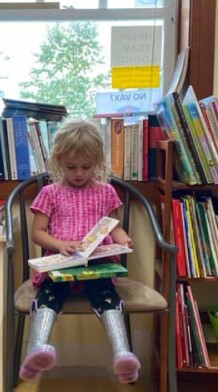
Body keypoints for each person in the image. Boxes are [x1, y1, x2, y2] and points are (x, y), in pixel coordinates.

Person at [18, 119, 139, 384]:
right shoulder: (50, 193)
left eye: (87, 167)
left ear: (98, 162)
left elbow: (113, 225)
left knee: (106, 295)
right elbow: (37, 232)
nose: (79, 173)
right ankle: (36, 349)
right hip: (60, 265)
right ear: (58, 161)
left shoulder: (106, 191)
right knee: (50, 294)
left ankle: (122, 354)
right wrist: (60, 245)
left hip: (97, 266)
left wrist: (123, 238)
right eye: (71, 167)